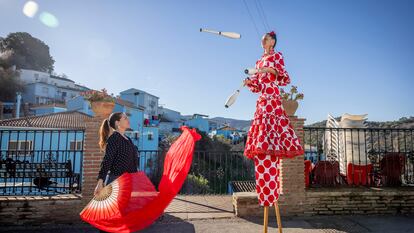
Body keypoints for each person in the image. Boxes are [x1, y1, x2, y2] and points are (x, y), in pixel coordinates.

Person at [244, 31, 304, 207]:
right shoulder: (258, 60)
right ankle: (265, 188)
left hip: (273, 98)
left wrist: (265, 69)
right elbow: (257, 85)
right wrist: (250, 82)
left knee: (273, 130)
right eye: (262, 38)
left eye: (267, 37)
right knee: (263, 136)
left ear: (273, 41)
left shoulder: (277, 55)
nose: (263, 39)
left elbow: (279, 73)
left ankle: (275, 146)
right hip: (262, 101)